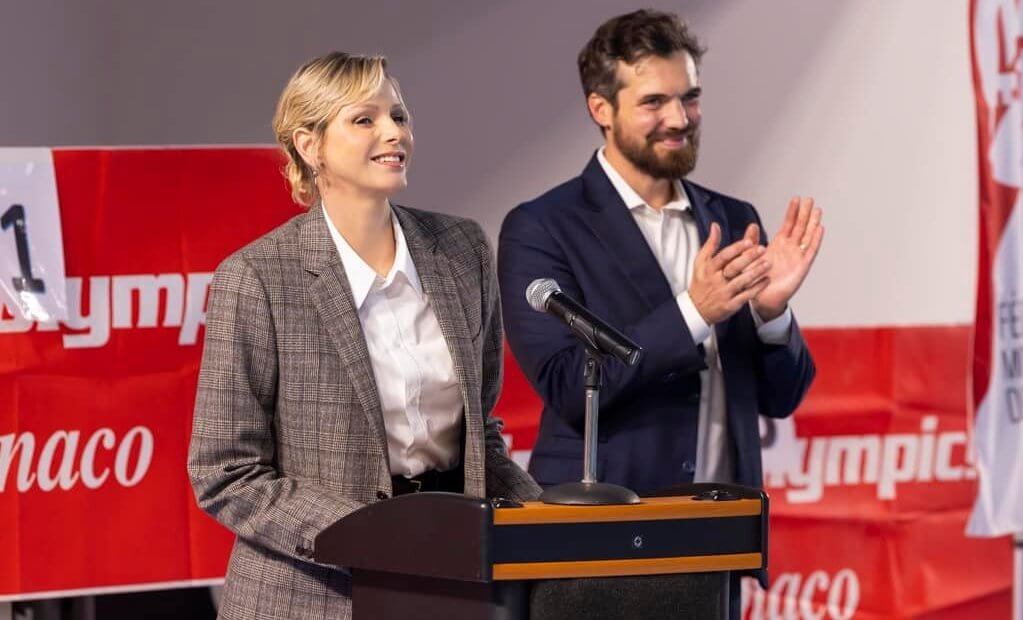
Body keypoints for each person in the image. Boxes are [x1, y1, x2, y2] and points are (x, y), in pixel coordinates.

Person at [188, 52, 540, 620]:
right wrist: (368, 536)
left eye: (399, 116)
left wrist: (546, 523)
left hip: (452, 582)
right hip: (307, 595)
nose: (393, 133)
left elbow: (483, 434)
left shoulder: (462, 249)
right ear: (310, 145)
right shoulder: (256, 278)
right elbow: (226, 471)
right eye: (365, 119)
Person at [498, 11, 820, 608]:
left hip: (719, 540)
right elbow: (570, 386)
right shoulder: (541, 227)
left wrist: (772, 316)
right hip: (597, 542)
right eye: (654, 102)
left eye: (690, 98)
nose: (679, 119)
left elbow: (781, 398)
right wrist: (694, 311)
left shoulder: (731, 215)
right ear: (601, 109)